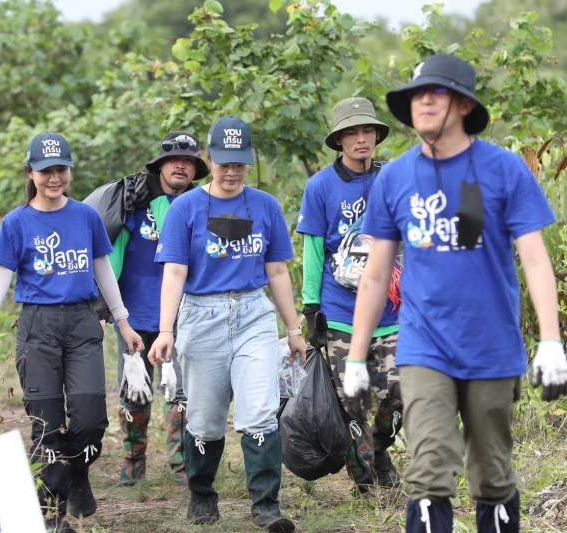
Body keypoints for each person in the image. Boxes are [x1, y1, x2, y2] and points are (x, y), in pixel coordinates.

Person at [342, 54, 567, 533]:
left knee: (492, 475)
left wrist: (550, 341)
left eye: (436, 92)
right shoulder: (396, 177)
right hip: (425, 348)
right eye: (416, 94)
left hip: (493, 347)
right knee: (428, 472)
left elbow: (534, 258)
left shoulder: (503, 169)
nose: (423, 101)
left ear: (464, 104)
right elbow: (376, 275)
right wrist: (356, 360)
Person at [0, 133, 143, 533]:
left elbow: (103, 270)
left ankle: (76, 474)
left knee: (90, 421)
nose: (54, 178)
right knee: (46, 427)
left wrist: (123, 321)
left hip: (83, 323)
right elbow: (0, 279)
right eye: (46, 171)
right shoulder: (16, 223)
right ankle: (53, 516)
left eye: (61, 170)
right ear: (30, 173)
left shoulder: (85, 216)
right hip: (38, 328)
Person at [148, 116, 305, 532]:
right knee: (204, 418)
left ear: (249, 160)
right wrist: (166, 330)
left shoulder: (266, 205)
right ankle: (201, 495)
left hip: (254, 312)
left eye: (239, 163)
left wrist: (293, 330)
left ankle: (266, 506)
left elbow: (277, 273)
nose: (231, 171)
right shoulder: (186, 208)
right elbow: (175, 274)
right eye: (223, 162)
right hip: (202, 315)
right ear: (209, 159)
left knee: (260, 411)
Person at [297, 97, 402, 495]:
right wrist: (311, 309)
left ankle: (377, 448)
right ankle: (368, 482)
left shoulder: (393, 177)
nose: (361, 139)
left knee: (400, 390)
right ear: (339, 139)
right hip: (340, 312)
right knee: (353, 403)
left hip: (392, 311)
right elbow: (312, 249)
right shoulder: (320, 186)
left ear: (377, 134)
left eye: (367, 131)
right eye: (352, 132)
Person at [99, 131, 208, 487]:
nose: (181, 165)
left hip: (183, 316)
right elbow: (113, 255)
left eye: (189, 160)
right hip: (134, 314)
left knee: (181, 392)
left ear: (195, 168)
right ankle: (134, 460)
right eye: (173, 159)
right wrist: (107, 309)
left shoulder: (201, 204)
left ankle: (182, 463)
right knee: (134, 389)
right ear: (160, 165)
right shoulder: (136, 202)